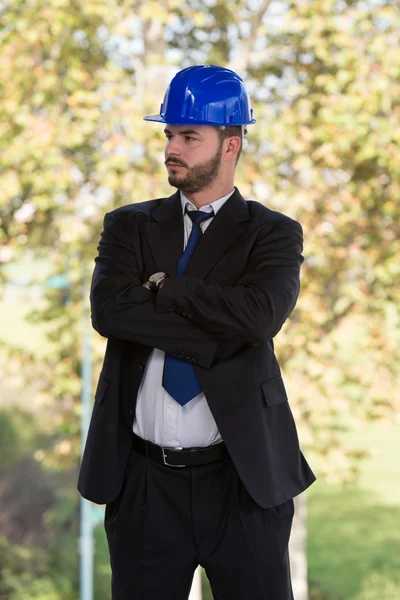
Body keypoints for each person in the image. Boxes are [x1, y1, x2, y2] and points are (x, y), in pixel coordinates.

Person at [78, 64, 316, 600]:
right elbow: (110, 314)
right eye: (169, 135)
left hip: (241, 482)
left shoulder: (273, 233)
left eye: (189, 136)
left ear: (230, 145)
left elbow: (259, 318)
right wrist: (214, 331)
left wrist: (167, 288)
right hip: (142, 483)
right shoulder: (129, 225)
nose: (172, 148)